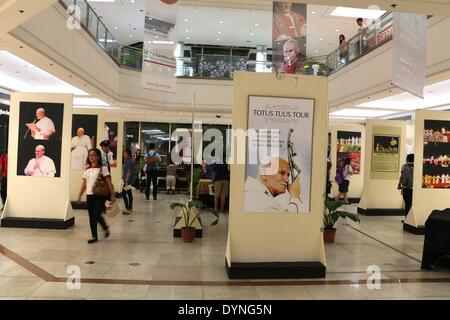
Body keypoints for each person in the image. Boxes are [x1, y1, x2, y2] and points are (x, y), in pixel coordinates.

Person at [77, 148, 113, 244]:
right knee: (91, 216)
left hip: (100, 195)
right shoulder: (87, 169)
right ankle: (94, 236)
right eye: (90, 155)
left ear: (97, 157)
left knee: (96, 214)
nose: (91, 157)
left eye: (93, 155)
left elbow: (109, 182)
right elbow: (84, 183)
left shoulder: (103, 168)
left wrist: (112, 194)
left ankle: (105, 227)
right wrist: (80, 195)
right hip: (90, 195)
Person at [398, 153, 414, 219]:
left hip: (406, 187)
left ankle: (407, 218)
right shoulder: (417, 166)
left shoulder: (404, 166)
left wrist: (399, 184)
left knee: (407, 204)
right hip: (414, 188)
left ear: (407, 159)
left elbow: (402, 177)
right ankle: (411, 218)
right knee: (412, 203)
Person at [122, 149, 136, 215]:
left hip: (128, 181)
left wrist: (126, 181)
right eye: (123, 153)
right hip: (128, 181)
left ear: (128, 154)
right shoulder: (127, 161)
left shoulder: (129, 162)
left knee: (124, 193)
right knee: (129, 193)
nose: (124, 155)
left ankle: (128, 208)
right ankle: (129, 208)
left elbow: (129, 172)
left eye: (125, 154)